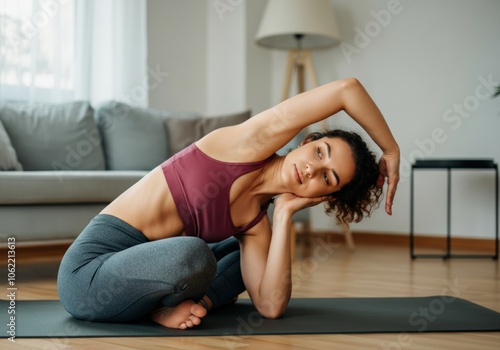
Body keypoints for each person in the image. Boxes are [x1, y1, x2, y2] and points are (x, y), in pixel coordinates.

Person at [57, 78, 400, 330]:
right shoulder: (248, 143)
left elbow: (269, 305)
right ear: (307, 141)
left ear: (323, 196)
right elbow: (347, 89)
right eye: (319, 152)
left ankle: (193, 303)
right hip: (89, 277)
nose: (312, 169)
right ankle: (160, 310)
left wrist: (283, 215)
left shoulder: (255, 224)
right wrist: (390, 150)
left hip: (150, 269)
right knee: (195, 254)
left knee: (243, 262)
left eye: (327, 178)